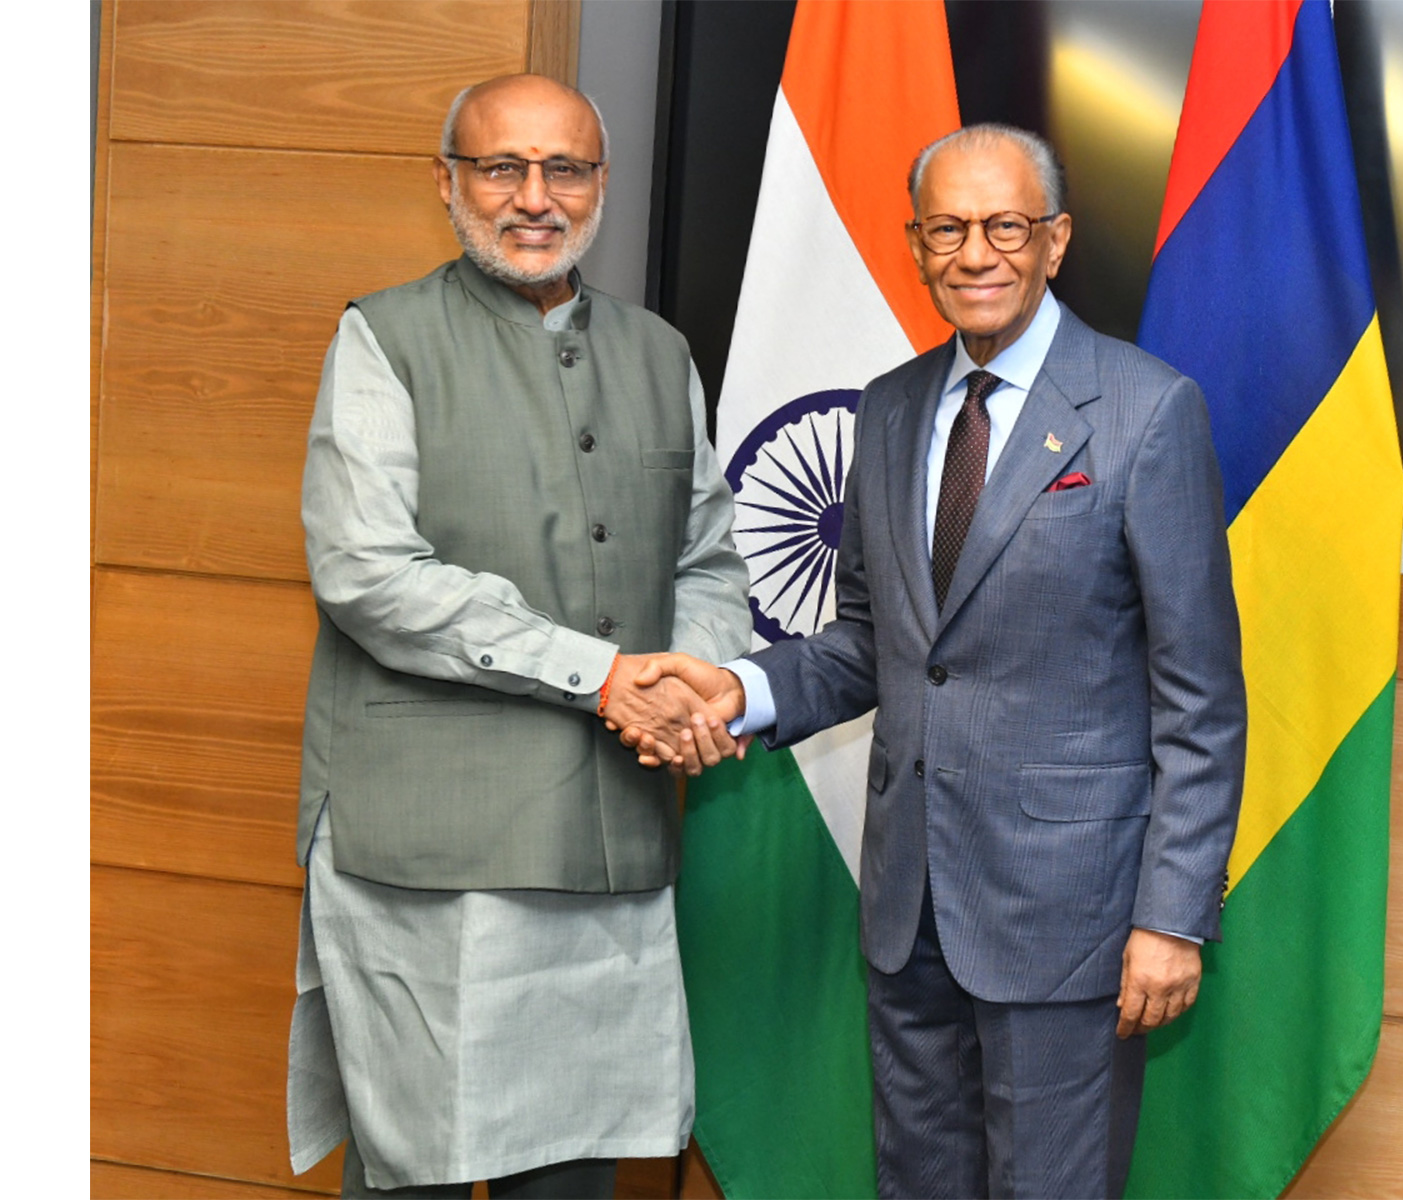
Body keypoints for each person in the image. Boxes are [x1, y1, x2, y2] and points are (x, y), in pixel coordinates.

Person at [631, 124, 1246, 1199]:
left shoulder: (1147, 412)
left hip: (1073, 921)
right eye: (948, 229)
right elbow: (879, 641)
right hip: (908, 903)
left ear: (1054, 241)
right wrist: (748, 687)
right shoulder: (892, 407)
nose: (976, 255)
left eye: (1005, 227)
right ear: (913, 244)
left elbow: (1200, 700)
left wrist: (1171, 916)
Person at [285, 74, 750, 1198]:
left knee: (577, 1178)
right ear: (447, 184)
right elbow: (368, 574)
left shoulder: (658, 353)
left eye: (566, 169)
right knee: (420, 1174)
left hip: (610, 842)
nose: (534, 197)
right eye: (503, 167)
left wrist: (691, 689)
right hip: (428, 857)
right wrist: (602, 676)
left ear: (600, 186)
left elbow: (705, 560)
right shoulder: (381, 338)